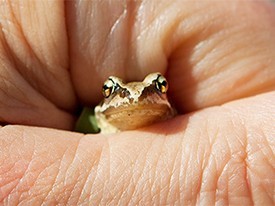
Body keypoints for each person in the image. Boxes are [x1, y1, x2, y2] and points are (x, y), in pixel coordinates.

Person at [0, 0, 274, 204]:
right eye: (111, 89)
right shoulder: (93, 120)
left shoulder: (173, 113)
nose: (135, 97)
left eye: (159, 86)